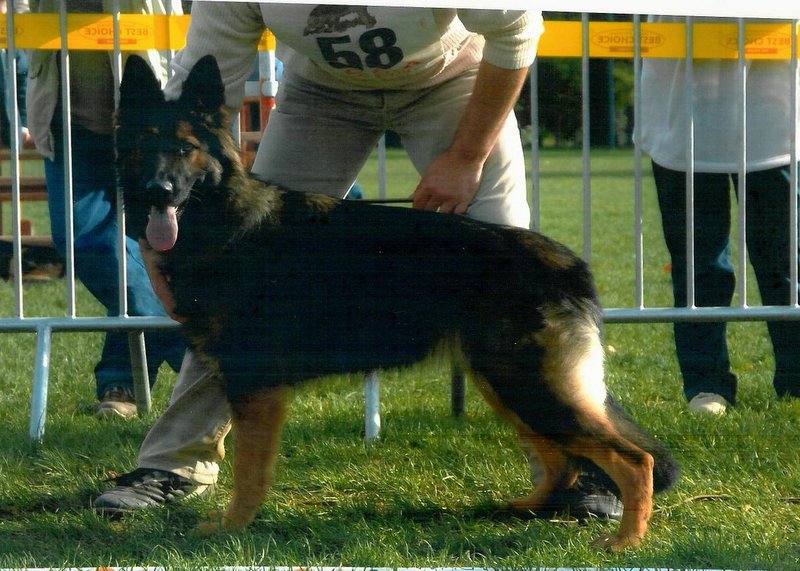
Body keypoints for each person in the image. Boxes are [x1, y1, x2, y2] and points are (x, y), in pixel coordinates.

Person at [94, 3, 622, 520]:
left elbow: (517, 30)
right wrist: (163, 251)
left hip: (452, 79)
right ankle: (174, 464)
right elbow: (200, 95)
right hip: (321, 92)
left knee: (512, 278)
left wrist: (467, 156)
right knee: (236, 286)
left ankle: (589, 469)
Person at [26, 0, 186, 419]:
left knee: (146, 249)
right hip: (67, 124)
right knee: (88, 243)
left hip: (150, 122)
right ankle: (193, 349)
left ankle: (123, 382)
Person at [639, 16, 800, 414]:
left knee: (784, 259)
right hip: (683, 108)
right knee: (698, 263)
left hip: (774, 109)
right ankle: (706, 383)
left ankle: (796, 379)